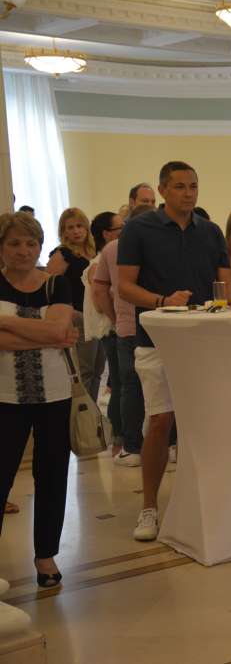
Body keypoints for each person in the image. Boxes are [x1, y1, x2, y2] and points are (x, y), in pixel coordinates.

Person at [118, 161, 231, 541]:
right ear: (163, 190)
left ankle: (206, 498)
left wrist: (226, 303)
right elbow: (125, 287)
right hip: (156, 340)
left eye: (193, 186)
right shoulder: (139, 229)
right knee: (160, 420)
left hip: (204, 342)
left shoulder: (210, 231)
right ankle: (149, 507)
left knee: (204, 421)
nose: (188, 193)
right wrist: (163, 301)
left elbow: (226, 284)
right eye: (180, 186)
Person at [0, 212, 79, 588]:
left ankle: (45, 555)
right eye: (14, 243)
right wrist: (46, 333)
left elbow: (60, 330)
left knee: (51, 474)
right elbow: (53, 333)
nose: (23, 250)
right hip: (4, 396)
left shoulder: (57, 284)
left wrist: (6, 322)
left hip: (54, 394)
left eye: (31, 243)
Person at [93, 204, 154, 468]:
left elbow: (99, 290)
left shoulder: (112, 248)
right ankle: (171, 443)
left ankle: (132, 447)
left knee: (130, 387)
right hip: (154, 325)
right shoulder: (155, 245)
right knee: (160, 385)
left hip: (127, 327)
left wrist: (117, 318)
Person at [46, 208, 104, 401]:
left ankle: (93, 409)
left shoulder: (93, 252)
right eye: (70, 227)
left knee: (98, 369)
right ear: (63, 232)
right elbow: (48, 285)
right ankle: (82, 412)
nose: (76, 231)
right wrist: (65, 312)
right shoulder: (63, 254)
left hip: (96, 314)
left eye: (79, 226)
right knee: (85, 370)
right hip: (78, 316)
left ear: (86, 228)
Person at [89, 211, 125, 454]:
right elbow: (99, 299)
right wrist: (117, 320)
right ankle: (118, 436)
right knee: (119, 384)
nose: (125, 232)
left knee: (120, 382)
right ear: (106, 234)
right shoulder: (98, 263)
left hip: (116, 328)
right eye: (120, 228)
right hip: (111, 329)